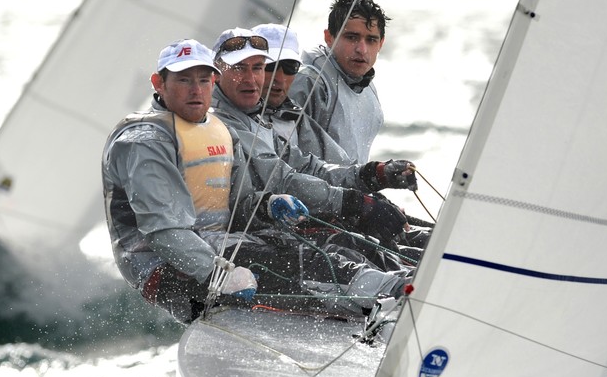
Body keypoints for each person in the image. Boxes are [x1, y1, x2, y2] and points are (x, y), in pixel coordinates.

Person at [102, 38, 409, 324]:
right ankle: (396, 296)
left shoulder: (219, 131)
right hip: (164, 266)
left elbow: (238, 204)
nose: (196, 90)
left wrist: (267, 205)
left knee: (330, 251)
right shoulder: (143, 142)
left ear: (214, 81)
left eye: (203, 80)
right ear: (159, 84)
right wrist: (219, 275)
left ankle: (396, 291)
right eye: (184, 80)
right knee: (299, 266)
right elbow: (164, 232)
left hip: (220, 243)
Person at [209, 27, 410, 249]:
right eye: (239, 69)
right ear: (215, 75)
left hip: (281, 227)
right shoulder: (222, 121)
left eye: (257, 68)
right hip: (241, 240)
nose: (251, 79)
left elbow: (310, 167)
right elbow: (283, 180)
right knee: (366, 253)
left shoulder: (255, 118)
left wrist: (372, 174)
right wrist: (354, 203)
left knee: (399, 244)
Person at [289, 0, 389, 164]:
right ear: (329, 37)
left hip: (354, 188)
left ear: (381, 44)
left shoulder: (368, 87)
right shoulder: (308, 82)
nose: (362, 49)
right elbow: (285, 159)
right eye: (352, 37)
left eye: (371, 40)